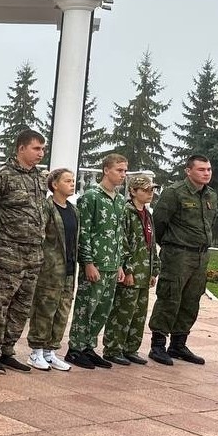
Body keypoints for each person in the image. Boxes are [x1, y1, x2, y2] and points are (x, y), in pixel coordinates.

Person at [0, 130, 47, 374]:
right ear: (21, 148)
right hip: (7, 253)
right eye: (36, 148)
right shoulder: (2, 177)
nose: (41, 153)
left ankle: (8, 350)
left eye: (42, 149)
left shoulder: (40, 178)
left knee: (22, 306)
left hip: (34, 254)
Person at [148, 155, 216, 365]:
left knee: (191, 299)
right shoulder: (174, 193)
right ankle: (158, 345)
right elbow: (158, 222)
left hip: (200, 255)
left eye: (209, 169)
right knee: (170, 296)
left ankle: (178, 344)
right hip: (178, 254)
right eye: (201, 169)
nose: (206, 173)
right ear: (188, 171)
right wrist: (171, 244)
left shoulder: (211, 195)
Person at [65, 153, 128, 370]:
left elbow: (119, 233)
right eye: (119, 170)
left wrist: (120, 264)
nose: (123, 175)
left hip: (112, 264)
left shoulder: (120, 200)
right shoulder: (91, 197)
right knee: (86, 307)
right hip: (95, 263)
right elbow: (84, 232)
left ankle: (89, 346)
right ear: (106, 170)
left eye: (125, 171)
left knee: (102, 309)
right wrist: (88, 262)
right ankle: (75, 349)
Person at [103, 174, 160, 365]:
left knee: (138, 313)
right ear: (133, 191)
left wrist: (154, 271)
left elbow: (151, 244)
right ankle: (113, 348)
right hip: (132, 272)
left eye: (151, 190)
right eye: (145, 190)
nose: (150, 193)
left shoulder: (147, 214)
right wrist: (127, 270)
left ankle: (130, 348)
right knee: (122, 312)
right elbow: (122, 242)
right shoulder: (126, 212)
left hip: (145, 272)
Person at [25, 168, 77, 372]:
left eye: (73, 180)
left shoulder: (73, 210)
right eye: (67, 181)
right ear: (54, 185)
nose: (72, 184)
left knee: (62, 311)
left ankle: (50, 351)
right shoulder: (46, 207)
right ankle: (36, 351)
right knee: (44, 310)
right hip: (49, 269)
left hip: (69, 269)